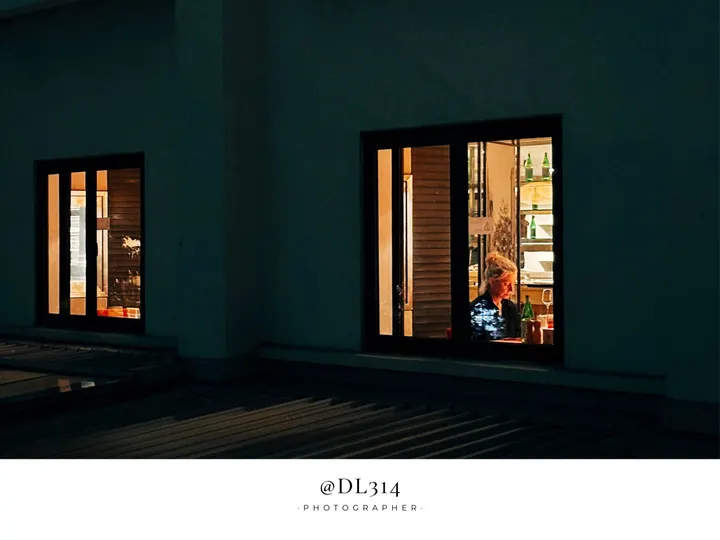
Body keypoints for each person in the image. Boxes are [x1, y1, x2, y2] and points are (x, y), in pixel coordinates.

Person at [470, 252, 521, 341]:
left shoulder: (510, 307)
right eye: (506, 284)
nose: (511, 289)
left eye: (513, 284)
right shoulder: (478, 309)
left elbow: (518, 335)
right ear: (492, 282)